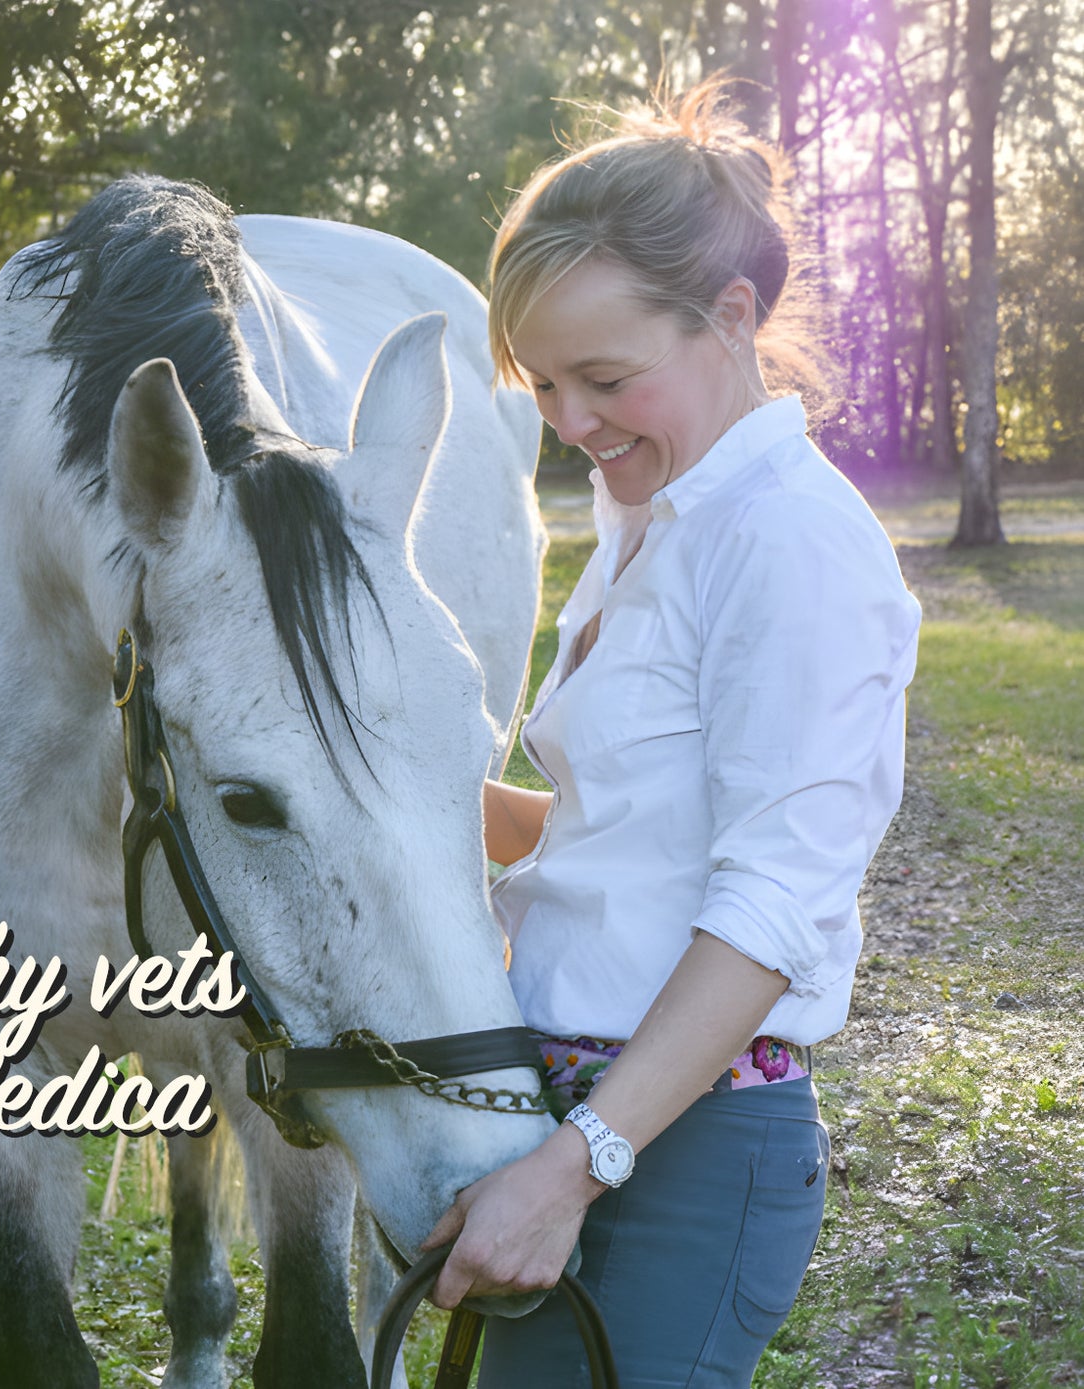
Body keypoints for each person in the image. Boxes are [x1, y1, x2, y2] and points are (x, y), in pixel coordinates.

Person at [418, 82, 923, 1386]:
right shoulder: (651, 521)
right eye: (544, 385)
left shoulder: (789, 541)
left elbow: (771, 905)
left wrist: (573, 1169)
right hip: (574, 1125)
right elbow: (631, 842)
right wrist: (413, 798)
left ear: (732, 318)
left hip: (679, 1155)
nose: (571, 423)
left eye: (605, 378)